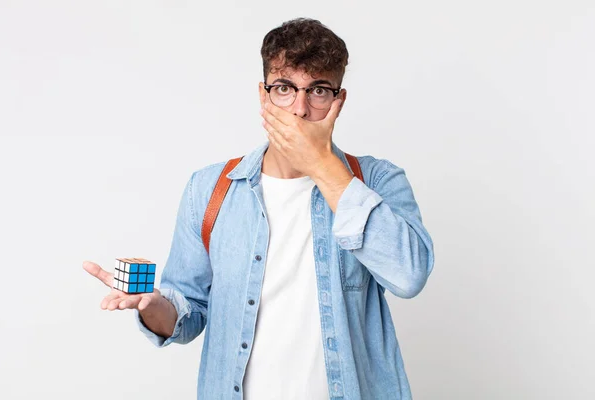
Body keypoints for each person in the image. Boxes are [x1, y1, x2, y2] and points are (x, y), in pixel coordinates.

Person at [83, 17, 435, 400]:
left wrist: (321, 166)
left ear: (338, 101)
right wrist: (152, 306)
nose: (299, 109)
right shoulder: (210, 188)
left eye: (318, 91)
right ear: (264, 95)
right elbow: (187, 311)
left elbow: (408, 275)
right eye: (284, 88)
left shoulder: (376, 181)